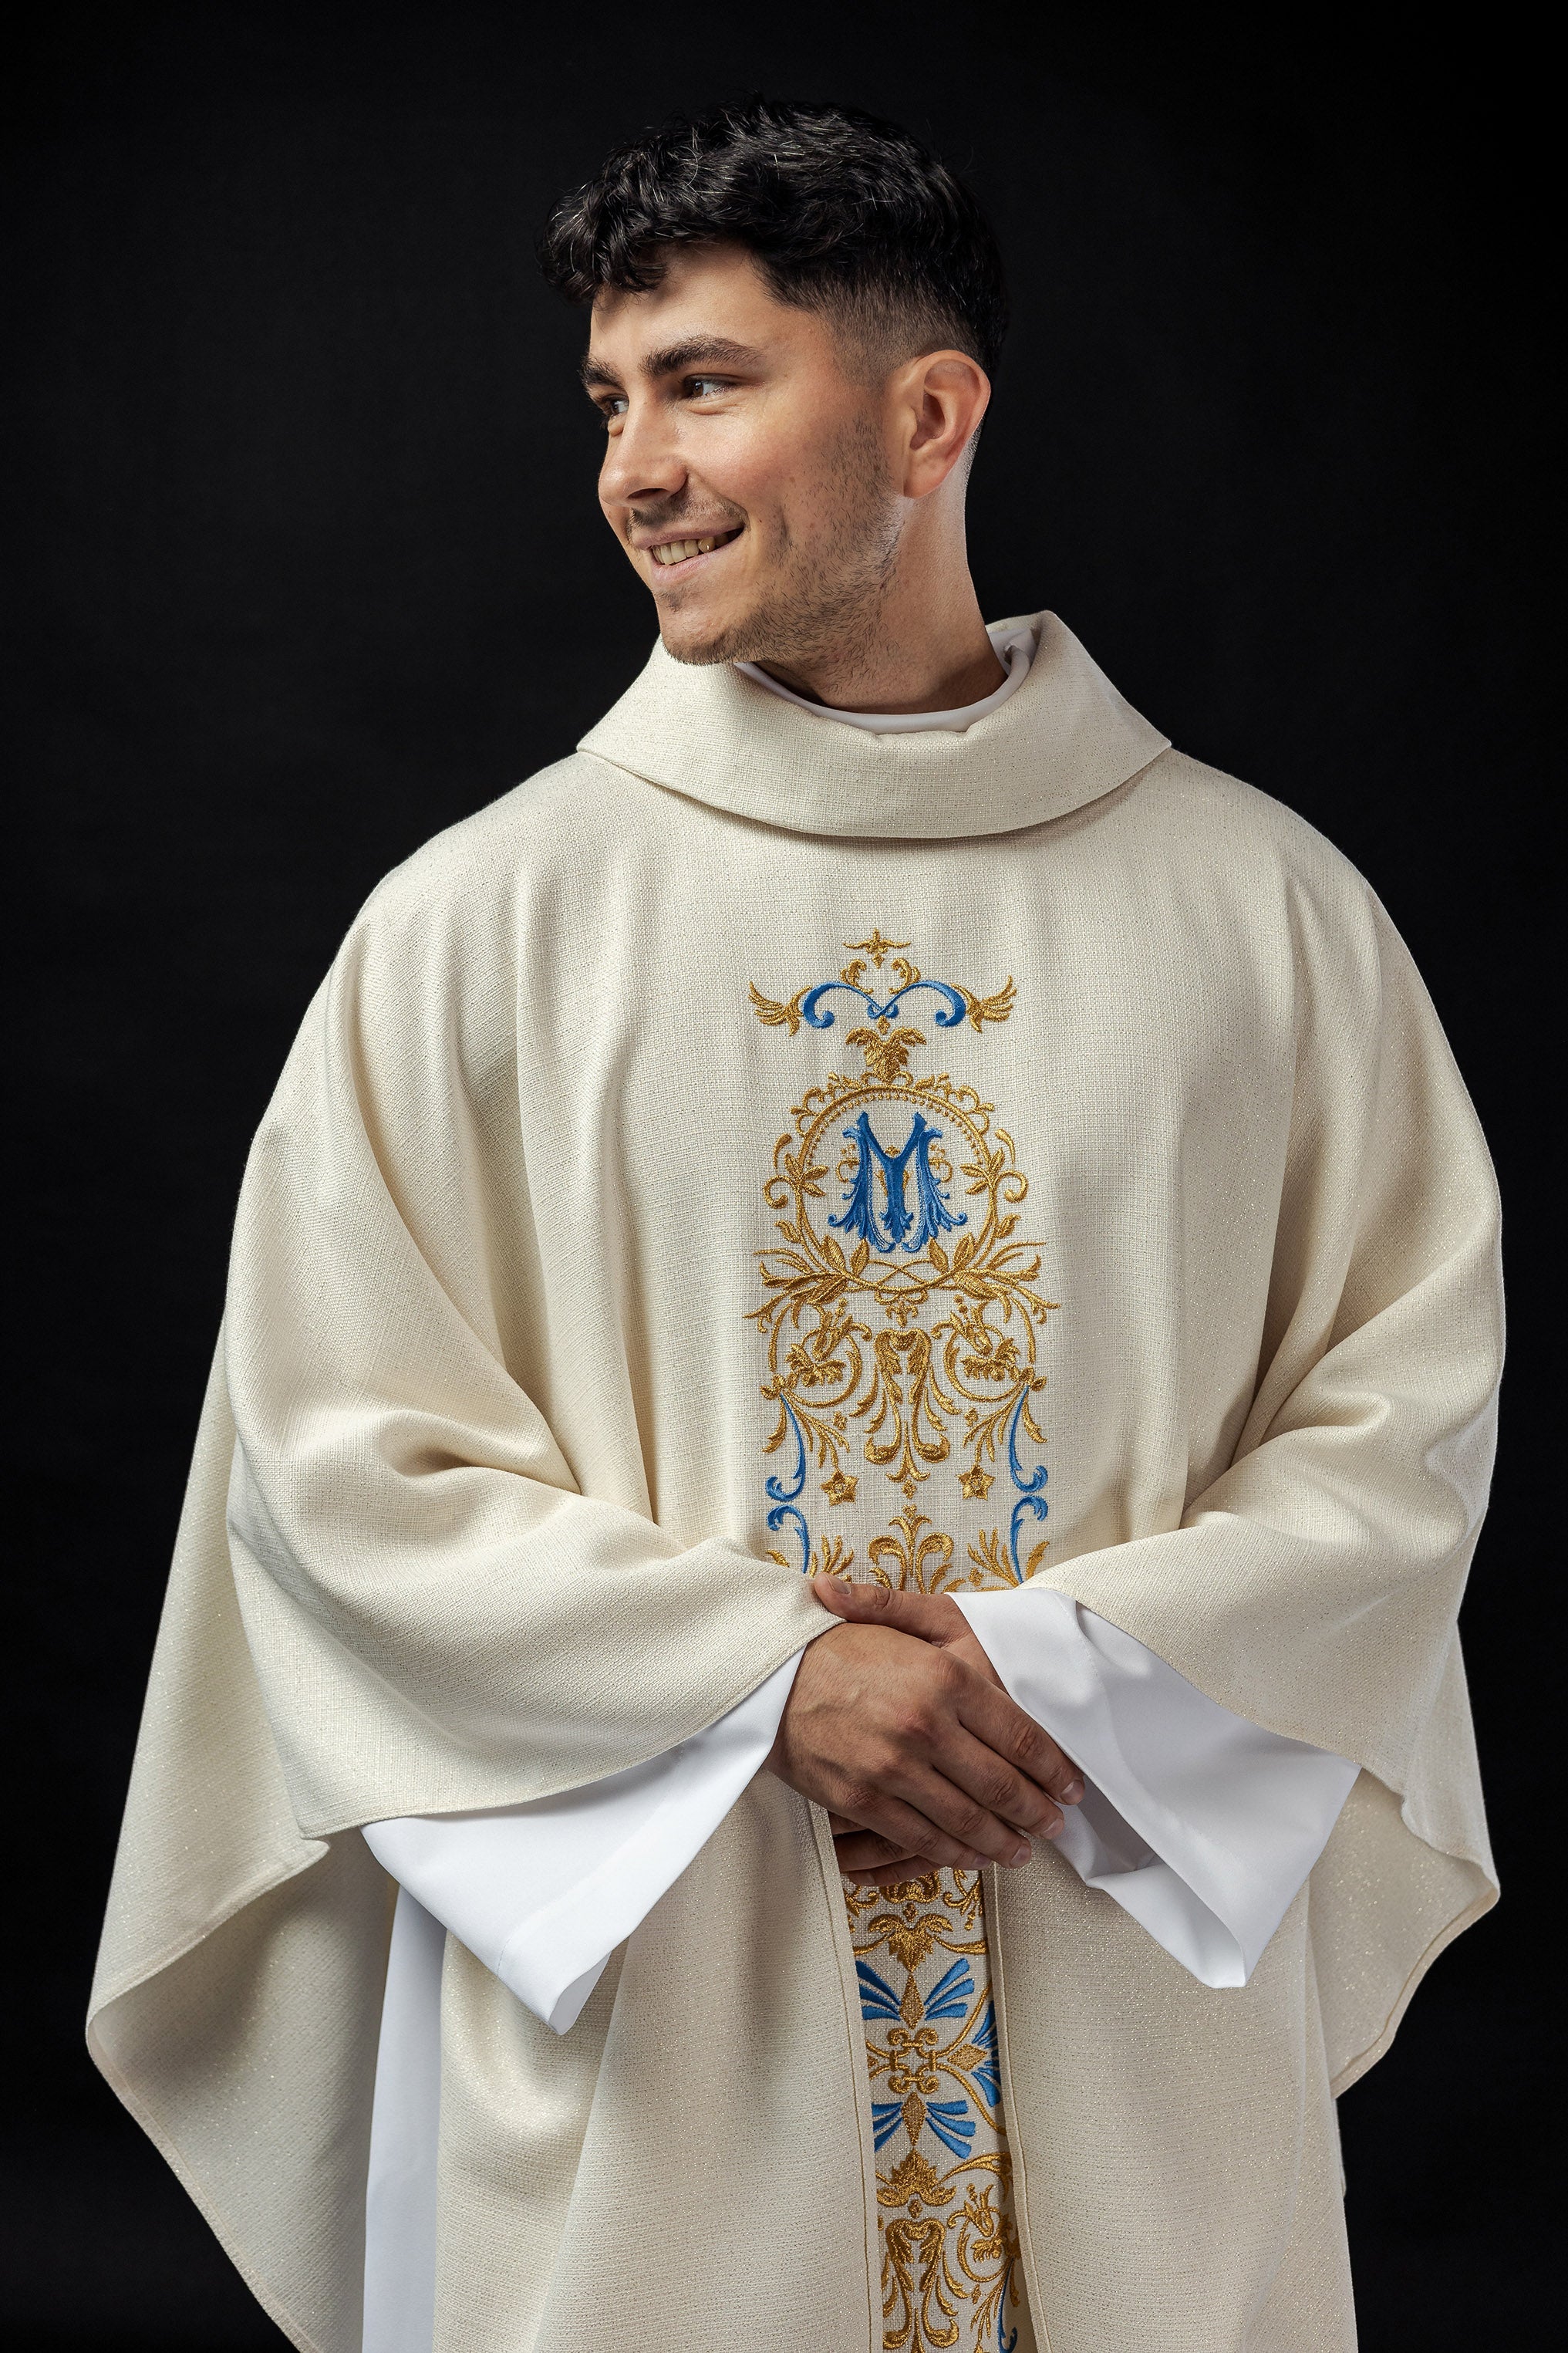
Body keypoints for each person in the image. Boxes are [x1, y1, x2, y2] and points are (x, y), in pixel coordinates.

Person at [89, 100, 1502, 2353]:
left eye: (706, 383)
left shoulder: (1265, 917)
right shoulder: (477, 926)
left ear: (928, 413)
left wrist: (1033, 1678)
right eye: (610, 399)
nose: (631, 465)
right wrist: (765, 1677)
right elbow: (334, 1462)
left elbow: (1395, 1419)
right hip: (662, 1981)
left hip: (1100, 1930)